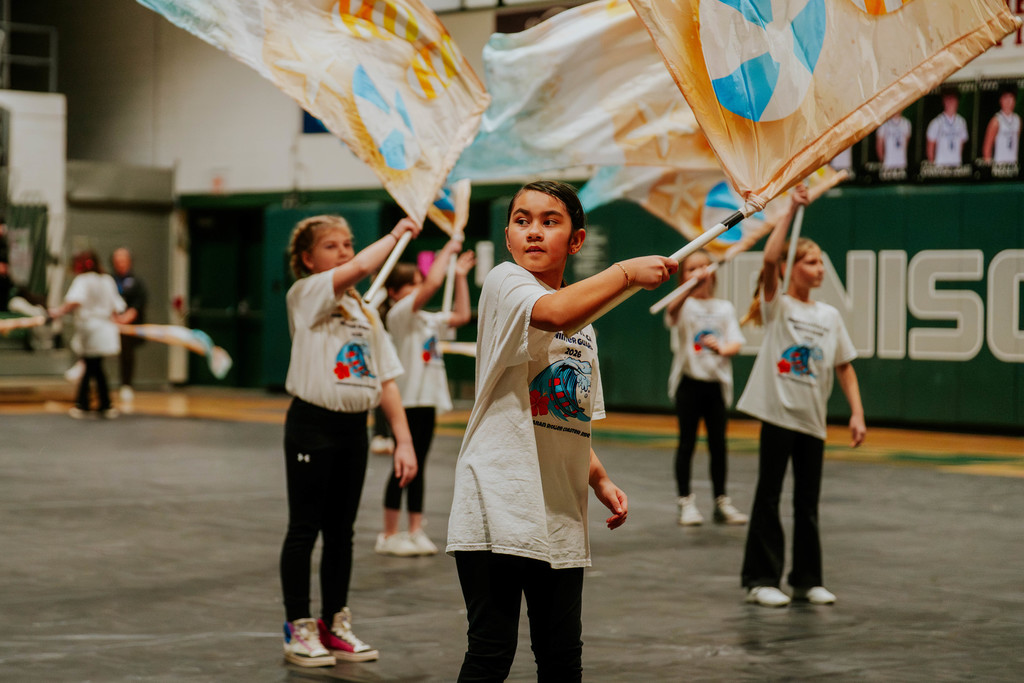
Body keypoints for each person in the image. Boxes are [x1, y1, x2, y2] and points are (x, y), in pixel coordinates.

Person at [446, 180, 677, 681]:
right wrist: (625, 272)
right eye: (522, 220)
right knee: (490, 655)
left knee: (561, 658)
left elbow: (566, 416)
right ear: (507, 235)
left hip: (559, 510)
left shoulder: (583, 327)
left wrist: (599, 480)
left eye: (550, 221)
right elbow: (554, 311)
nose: (533, 231)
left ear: (575, 240)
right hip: (500, 500)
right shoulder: (505, 282)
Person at [279, 214, 420, 667]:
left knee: (342, 534)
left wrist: (403, 441)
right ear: (307, 258)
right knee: (306, 528)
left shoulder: (363, 311)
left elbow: (388, 380)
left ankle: (333, 623)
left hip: (352, 430)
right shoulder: (306, 294)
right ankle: (297, 626)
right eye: (331, 246)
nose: (343, 251)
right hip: (311, 425)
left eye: (347, 243)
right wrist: (397, 235)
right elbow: (360, 267)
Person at [736, 184, 866, 608]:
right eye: (811, 261)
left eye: (821, 263)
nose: (819, 269)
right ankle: (760, 579)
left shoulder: (828, 316)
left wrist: (856, 414)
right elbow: (770, 258)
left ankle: (807, 579)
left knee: (807, 504)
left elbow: (844, 365)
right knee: (769, 497)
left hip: (813, 421)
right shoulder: (781, 306)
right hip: (779, 415)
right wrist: (790, 208)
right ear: (796, 268)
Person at [375, 241, 475, 557]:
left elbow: (462, 315)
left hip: (426, 400)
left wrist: (459, 276)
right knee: (401, 467)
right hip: (406, 401)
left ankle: (415, 530)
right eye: (412, 284)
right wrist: (447, 248)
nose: (420, 288)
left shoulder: (426, 320)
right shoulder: (399, 315)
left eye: (418, 283)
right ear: (394, 292)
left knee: (419, 466)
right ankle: (389, 534)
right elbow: (433, 282)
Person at [664, 250, 747, 527]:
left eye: (704, 267)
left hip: (716, 386)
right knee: (687, 443)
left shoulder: (724, 307)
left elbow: (736, 341)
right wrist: (687, 289)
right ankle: (685, 502)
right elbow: (671, 314)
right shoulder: (683, 305)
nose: (699, 272)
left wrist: (723, 348)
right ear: (683, 277)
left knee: (718, 446)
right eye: (691, 269)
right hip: (689, 384)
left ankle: (721, 502)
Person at [49, 249, 127, 419]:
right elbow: (116, 307)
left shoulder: (83, 280)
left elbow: (75, 301)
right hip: (105, 329)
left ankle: (87, 404)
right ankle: (99, 404)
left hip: (92, 330)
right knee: (94, 366)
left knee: (92, 366)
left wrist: (58, 312)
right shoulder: (107, 280)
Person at [111, 247, 147, 404]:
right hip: (111, 323)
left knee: (127, 354)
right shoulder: (109, 280)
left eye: (123, 260)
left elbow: (139, 303)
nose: (120, 263)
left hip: (129, 325)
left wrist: (125, 318)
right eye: (117, 261)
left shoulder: (136, 282)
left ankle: (126, 385)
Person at [926, 88, 968, 167]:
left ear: (957, 101)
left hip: (956, 167)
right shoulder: (936, 123)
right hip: (941, 167)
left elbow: (961, 144)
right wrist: (933, 167)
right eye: (948, 99)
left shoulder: (961, 122)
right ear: (944, 101)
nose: (951, 102)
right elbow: (930, 149)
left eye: (953, 99)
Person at [982, 86, 1021, 164]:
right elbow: (987, 148)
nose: (1008, 101)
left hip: (1013, 166)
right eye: (1005, 97)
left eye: (1011, 97)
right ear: (1001, 100)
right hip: (999, 166)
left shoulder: (1018, 120)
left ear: (1014, 100)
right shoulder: (996, 121)